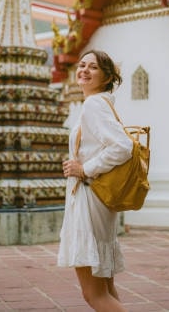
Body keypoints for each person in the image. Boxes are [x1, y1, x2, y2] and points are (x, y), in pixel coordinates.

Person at [57, 49, 133, 311]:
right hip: (97, 198)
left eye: (93, 67)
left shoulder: (94, 104)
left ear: (107, 76)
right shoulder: (101, 103)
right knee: (106, 288)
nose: (84, 71)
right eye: (82, 65)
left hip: (90, 198)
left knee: (94, 295)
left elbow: (123, 147)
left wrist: (85, 168)